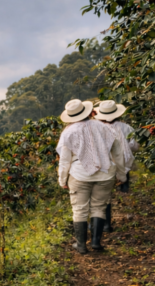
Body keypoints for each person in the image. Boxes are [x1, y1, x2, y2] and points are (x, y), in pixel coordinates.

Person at [57, 99, 127, 254]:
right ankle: (96, 242)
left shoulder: (68, 132)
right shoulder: (105, 128)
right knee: (99, 207)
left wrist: (62, 179)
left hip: (79, 174)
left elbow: (65, 159)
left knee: (79, 209)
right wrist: (121, 174)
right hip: (105, 173)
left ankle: (81, 245)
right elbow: (118, 153)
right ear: (88, 112)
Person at [93, 100, 139, 232]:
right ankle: (125, 199)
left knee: (103, 195)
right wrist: (125, 147)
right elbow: (135, 146)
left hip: (103, 165)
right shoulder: (126, 127)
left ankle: (104, 224)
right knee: (123, 183)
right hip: (122, 163)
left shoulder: (96, 128)